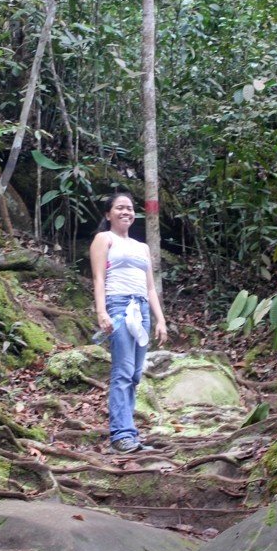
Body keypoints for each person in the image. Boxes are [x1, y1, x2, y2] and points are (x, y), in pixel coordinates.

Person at [89, 192, 168, 453]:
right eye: (120, 208)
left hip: (141, 309)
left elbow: (150, 289)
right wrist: (102, 313)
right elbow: (99, 279)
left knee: (135, 374)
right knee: (122, 372)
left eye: (130, 208)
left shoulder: (142, 247)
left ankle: (129, 433)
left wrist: (160, 320)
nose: (126, 212)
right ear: (108, 213)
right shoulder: (104, 239)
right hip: (119, 306)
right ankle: (121, 435)